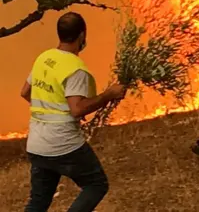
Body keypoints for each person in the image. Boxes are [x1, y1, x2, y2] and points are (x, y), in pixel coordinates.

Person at [20, 12, 125, 212]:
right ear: (82, 35)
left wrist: (50, 109)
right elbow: (77, 109)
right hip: (63, 144)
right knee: (96, 184)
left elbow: (25, 92)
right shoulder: (75, 69)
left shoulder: (44, 57)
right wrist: (109, 94)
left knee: (38, 202)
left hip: (36, 144)